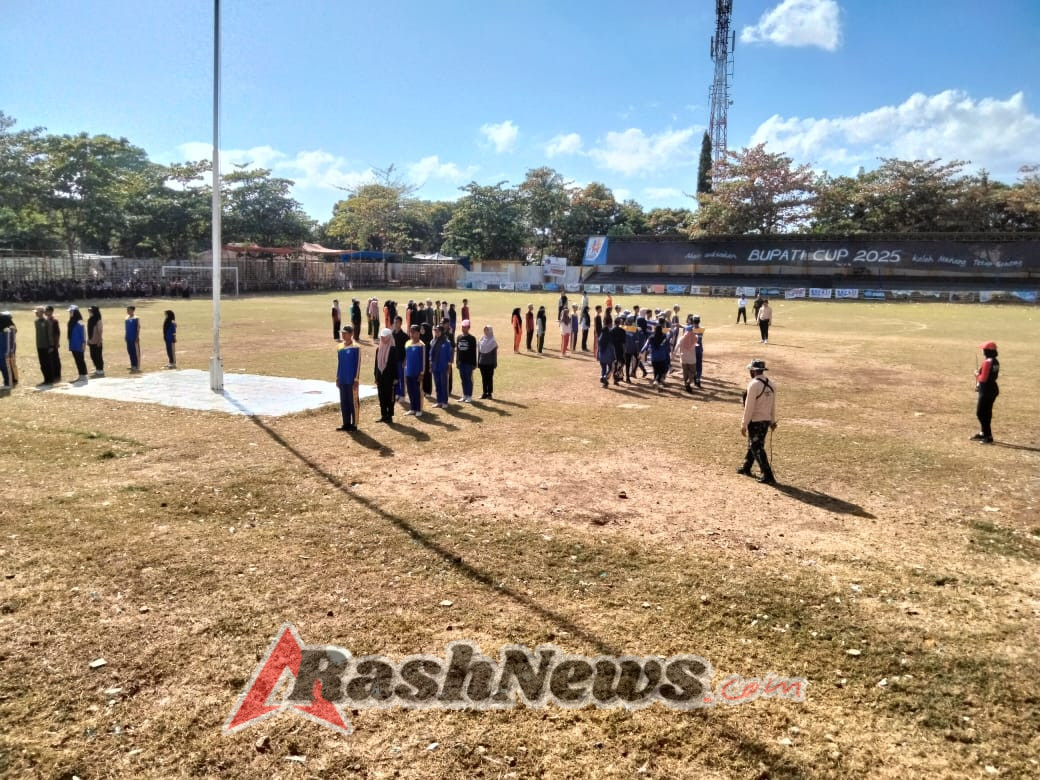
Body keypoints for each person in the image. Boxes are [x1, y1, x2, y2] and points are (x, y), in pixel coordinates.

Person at [738, 359, 778, 485]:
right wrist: (772, 421)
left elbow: (749, 407)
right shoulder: (771, 384)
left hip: (755, 420)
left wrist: (744, 424)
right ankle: (746, 467)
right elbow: (773, 405)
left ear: (754, 371)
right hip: (765, 420)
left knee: (756, 446)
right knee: (755, 444)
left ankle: (767, 474)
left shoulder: (753, 384)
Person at [972, 341, 1000, 444]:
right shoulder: (995, 361)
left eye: (984, 350)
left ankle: (988, 436)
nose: (983, 351)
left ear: (987, 351)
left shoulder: (987, 362)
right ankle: (983, 433)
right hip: (992, 389)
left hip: (986, 390)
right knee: (986, 413)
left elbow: (983, 379)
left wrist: (976, 374)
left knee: (980, 413)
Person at [335, 326, 361, 431]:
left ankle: (354, 424)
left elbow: (358, 364)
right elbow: (339, 363)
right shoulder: (339, 347)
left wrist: (356, 379)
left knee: (353, 402)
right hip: (342, 379)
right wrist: (337, 377)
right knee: (344, 402)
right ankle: (346, 423)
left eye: (345, 333)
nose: (343, 335)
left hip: (351, 380)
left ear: (351, 334)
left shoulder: (356, 347)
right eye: (342, 333)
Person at [373, 327, 397, 424]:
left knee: (389, 396)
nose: (383, 339)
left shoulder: (393, 349)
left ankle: (389, 415)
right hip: (381, 377)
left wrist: (395, 378)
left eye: (385, 337)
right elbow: (376, 364)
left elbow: (395, 365)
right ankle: (383, 415)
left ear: (389, 337)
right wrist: (376, 376)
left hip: (389, 378)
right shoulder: (378, 349)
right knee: (381, 396)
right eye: (382, 337)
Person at [403, 325, 426, 417]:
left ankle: (419, 409)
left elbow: (423, 360)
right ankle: (412, 408)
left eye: (414, 332)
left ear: (418, 333)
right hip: (408, 371)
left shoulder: (421, 345)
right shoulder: (407, 343)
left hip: (417, 372)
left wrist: (422, 373)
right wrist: (405, 366)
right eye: (410, 332)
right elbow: (406, 357)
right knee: (410, 390)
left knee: (417, 391)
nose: (411, 334)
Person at [430, 324, 453, 408]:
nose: (436, 332)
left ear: (442, 332)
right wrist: (431, 364)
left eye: (438, 331)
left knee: (444, 384)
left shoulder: (447, 342)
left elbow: (449, 356)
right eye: (435, 331)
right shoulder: (433, 341)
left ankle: (445, 402)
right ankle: (439, 401)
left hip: (443, 366)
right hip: (435, 365)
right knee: (437, 384)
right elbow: (430, 354)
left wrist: (449, 367)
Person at [456, 319, 477, 403]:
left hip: (468, 362)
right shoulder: (459, 337)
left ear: (469, 327)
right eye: (462, 326)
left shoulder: (472, 338)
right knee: (463, 379)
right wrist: (457, 361)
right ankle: (464, 395)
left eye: (465, 327)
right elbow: (458, 350)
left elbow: (473, 352)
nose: (463, 328)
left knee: (468, 379)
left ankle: (469, 395)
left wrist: (474, 363)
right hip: (461, 362)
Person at [67, 306, 89, 382]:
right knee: (77, 360)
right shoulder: (70, 321)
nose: (70, 313)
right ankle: (80, 375)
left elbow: (83, 333)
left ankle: (84, 375)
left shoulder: (80, 321)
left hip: (79, 344)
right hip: (73, 344)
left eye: (71, 312)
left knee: (80, 360)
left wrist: (83, 343)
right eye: (69, 312)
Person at [34, 306, 54, 385]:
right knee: (42, 363)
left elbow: (49, 334)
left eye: (37, 312)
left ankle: (50, 379)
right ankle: (46, 378)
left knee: (48, 363)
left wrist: (51, 345)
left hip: (46, 346)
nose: (36, 313)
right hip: (39, 345)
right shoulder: (36, 321)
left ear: (42, 312)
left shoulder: (47, 322)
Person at [647, 323, 671, 390]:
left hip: (653, 357)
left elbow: (647, 345)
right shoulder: (664, 337)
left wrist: (643, 352)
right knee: (661, 371)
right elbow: (666, 345)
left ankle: (657, 384)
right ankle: (656, 381)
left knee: (655, 370)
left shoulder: (651, 337)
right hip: (661, 357)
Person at [477, 325, 498, 400]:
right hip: (482, 362)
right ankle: (484, 393)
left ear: (490, 331)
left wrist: (495, 363)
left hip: (490, 363)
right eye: (484, 330)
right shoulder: (481, 339)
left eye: (487, 330)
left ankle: (489, 393)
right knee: (484, 378)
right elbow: (479, 352)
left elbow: (495, 354)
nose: (485, 331)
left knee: (489, 378)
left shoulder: (493, 341)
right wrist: (478, 362)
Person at [391, 316, 408, 403]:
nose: (396, 324)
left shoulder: (405, 336)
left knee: (401, 378)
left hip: (401, 360)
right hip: (393, 361)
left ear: (400, 323)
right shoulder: (392, 334)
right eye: (394, 322)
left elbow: (407, 350)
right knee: (395, 377)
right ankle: (397, 393)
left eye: (397, 322)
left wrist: (405, 360)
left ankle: (402, 395)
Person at [678, 325, 698, 393]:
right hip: (692, 359)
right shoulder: (695, 338)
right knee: (692, 372)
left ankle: (686, 384)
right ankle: (688, 382)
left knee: (685, 373)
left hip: (683, 359)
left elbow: (677, 348)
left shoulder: (681, 339)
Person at [45, 306, 62, 382]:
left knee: (55, 359)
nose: (45, 312)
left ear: (51, 312)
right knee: (49, 359)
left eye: (47, 311)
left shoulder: (54, 321)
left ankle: (57, 375)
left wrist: (57, 343)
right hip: (47, 343)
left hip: (53, 343)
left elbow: (57, 333)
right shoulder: (45, 321)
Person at [86, 306, 104, 377]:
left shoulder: (98, 320)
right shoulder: (90, 320)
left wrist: (99, 340)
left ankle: (100, 370)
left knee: (98, 356)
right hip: (91, 341)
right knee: (92, 355)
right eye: (89, 311)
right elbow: (89, 330)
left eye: (91, 311)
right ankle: (97, 368)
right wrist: (88, 339)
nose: (90, 312)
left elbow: (100, 331)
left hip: (97, 341)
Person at [597, 323, 615, 388]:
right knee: (610, 368)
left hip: (601, 356)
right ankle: (605, 377)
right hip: (608, 356)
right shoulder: (609, 339)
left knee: (603, 369)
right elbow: (612, 348)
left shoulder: (600, 338)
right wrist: (614, 357)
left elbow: (598, 348)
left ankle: (604, 382)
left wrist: (597, 356)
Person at [0, 311, 15, 389]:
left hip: (5, 352)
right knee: (2, 367)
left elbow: (10, 342)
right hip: (1, 351)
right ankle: (6, 382)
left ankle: (9, 383)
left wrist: (8, 352)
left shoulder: (9, 329)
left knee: (6, 367)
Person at [125, 305, 141, 372]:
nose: (127, 311)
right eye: (127, 310)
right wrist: (125, 335)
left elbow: (138, 328)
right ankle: (132, 365)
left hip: (134, 338)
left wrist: (137, 337)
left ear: (132, 310)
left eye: (128, 309)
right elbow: (126, 328)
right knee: (130, 351)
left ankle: (137, 366)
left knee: (135, 352)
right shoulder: (126, 318)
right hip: (128, 337)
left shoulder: (136, 318)